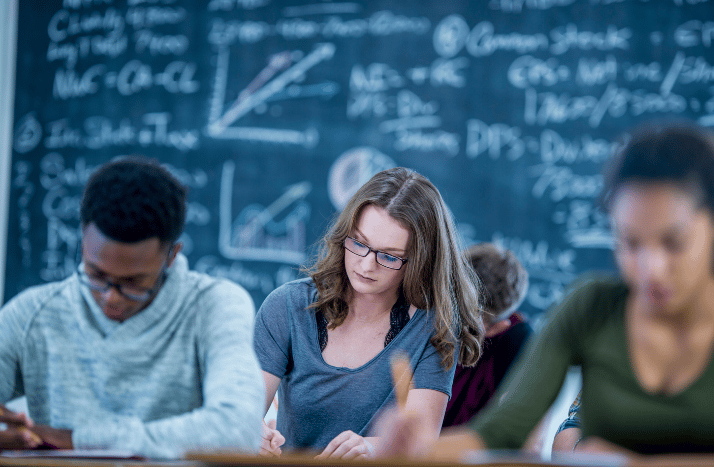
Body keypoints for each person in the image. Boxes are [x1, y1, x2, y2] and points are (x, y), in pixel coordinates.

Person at [376, 120, 714, 459]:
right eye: (630, 242)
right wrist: (419, 451)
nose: (650, 269)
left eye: (674, 242)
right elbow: (502, 432)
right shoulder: (592, 307)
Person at [0, 157, 265, 459]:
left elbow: (237, 431)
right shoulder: (33, 312)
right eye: (96, 275)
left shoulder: (214, 305)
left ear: (171, 255)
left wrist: (77, 440)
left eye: (134, 283)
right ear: (83, 241)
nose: (111, 298)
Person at [253, 167, 484, 459]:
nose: (365, 265)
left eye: (388, 256)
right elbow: (245, 409)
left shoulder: (434, 327)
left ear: (420, 261)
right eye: (359, 243)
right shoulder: (287, 306)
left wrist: (371, 448)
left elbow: (421, 442)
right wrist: (249, 430)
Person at [442, 243, 532, 428]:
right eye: (449, 310)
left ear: (497, 329)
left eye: (466, 324)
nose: (449, 328)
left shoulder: (517, 341)